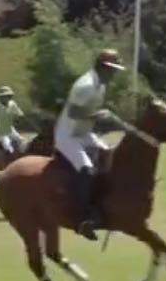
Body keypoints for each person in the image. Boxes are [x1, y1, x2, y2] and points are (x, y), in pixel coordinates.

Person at [54, 49, 126, 241]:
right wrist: (99, 115)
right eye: (113, 69)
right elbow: (73, 113)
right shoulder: (85, 85)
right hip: (68, 136)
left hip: (83, 133)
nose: (115, 74)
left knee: (109, 154)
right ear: (104, 67)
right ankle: (81, 218)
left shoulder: (100, 85)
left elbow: (89, 115)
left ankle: (102, 206)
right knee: (86, 169)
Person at [0, 86, 25, 158]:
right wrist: (15, 119)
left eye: (8, 96)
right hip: (2, 131)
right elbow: (5, 118)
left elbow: (18, 112)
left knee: (22, 141)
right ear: (1, 98)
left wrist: (21, 115)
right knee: (8, 147)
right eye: (4, 96)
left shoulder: (12, 103)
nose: (7, 98)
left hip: (11, 129)